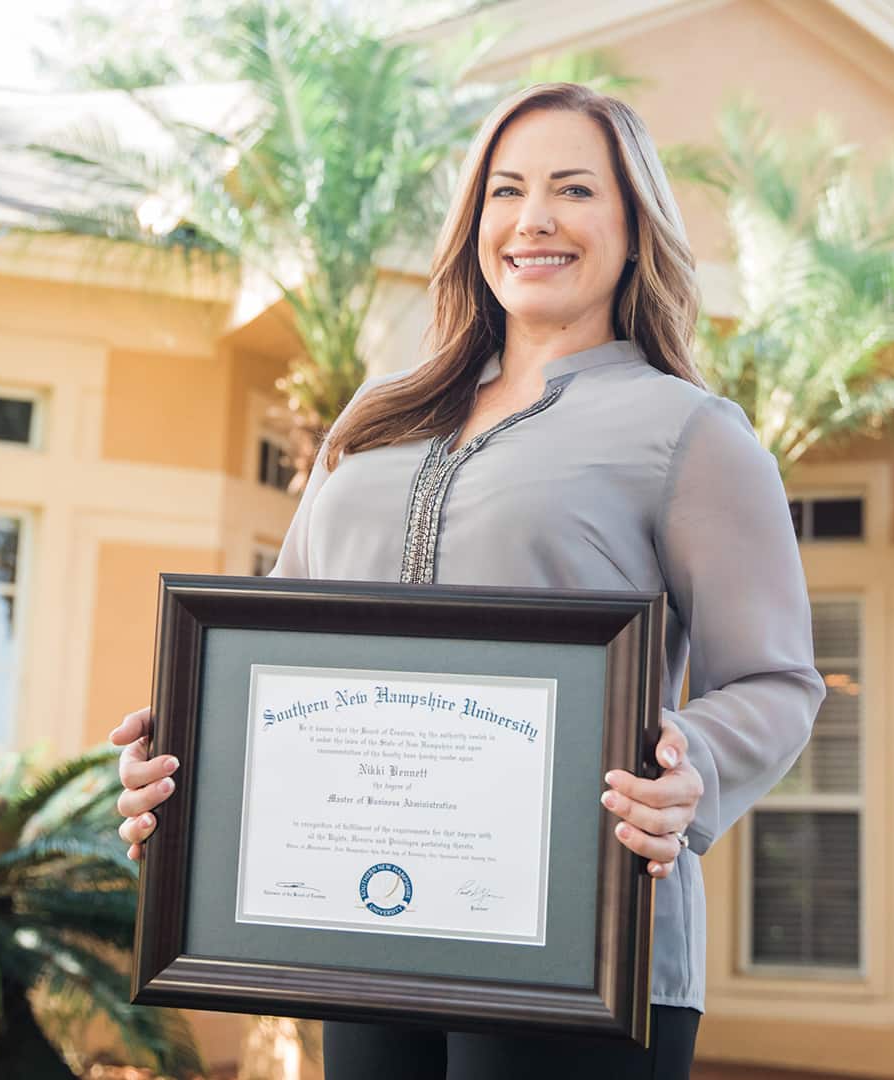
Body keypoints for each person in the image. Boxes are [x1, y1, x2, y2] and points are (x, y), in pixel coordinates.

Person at [109, 82, 825, 1080]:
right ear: (473, 221)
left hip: (586, 951)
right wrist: (187, 763)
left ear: (633, 226)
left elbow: (778, 682)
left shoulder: (690, 432)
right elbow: (277, 648)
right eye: (505, 191)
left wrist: (687, 766)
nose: (533, 220)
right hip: (360, 938)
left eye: (574, 190)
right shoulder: (371, 421)